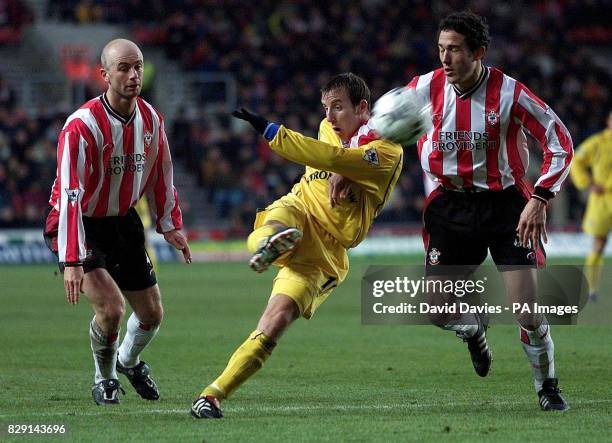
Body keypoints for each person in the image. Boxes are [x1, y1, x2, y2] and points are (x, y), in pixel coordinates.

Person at [191, 73, 403, 419]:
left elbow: (334, 158)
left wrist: (270, 130)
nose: (330, 117)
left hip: (325, 252)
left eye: (338, 108)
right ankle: (269, 245)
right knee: (277, 220)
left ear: (363, 108)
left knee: (275, 322)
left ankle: (213, 394)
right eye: (326, 108)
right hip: (299, 209)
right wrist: (339, 166)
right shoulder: (327, 129)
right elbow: (330, 153)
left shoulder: (387, 154)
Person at [400, 11, 573, 411]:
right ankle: (474, 327)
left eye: (455, 49)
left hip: (506, 205)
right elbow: (378, 129)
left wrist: (540, 198)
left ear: (478, 51)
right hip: (450, 205)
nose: (445, 58)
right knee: (437, 312)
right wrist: (346, 165)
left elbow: (559, 139)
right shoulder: (423, 89)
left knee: (527, 311)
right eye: (441, 49)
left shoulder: (510, 93)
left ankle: (546, 386)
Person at [43, 38, 191, 405]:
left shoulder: (151, 119)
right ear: (104, 74)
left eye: (138, 66)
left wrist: (170, 223)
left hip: (122, 221)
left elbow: (162, 171)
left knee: (152, 314)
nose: (133, 74)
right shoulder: (81, 126)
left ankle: (128, 360)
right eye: (123, 68)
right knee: (110, 309)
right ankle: (104, 377)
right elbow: (70, 195)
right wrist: (73, 259)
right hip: (78, 224)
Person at [570, 111, 612, 302]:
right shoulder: (597, 142)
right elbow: (576, 160)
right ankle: (592, 289)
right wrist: (587, 182)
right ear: (608, 121)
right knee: (599, 243)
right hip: (602, 199)